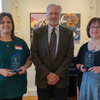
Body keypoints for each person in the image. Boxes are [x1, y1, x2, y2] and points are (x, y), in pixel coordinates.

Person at [31, 4, 74, 100]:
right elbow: (34, 55)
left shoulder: (68, 33)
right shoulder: (37, 33)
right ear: (46, 15)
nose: (53, 16)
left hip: (61, 78)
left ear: (60, 15)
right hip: (42, 78)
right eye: (51, 13)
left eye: (56, 13)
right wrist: (48, 74)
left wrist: (57, 74)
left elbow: (69, 56)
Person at [0, 12, 32, 100]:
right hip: (1, 87)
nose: (6, 24)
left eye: (8, 22)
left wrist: (25, 67)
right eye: (2, 22)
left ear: (12, 25)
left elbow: (29, 59)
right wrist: (1, 71)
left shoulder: (20, 42)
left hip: (17, 86)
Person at [76, 17, 100, 100]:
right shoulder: (83, 47)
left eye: (98, 27)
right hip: (85, 85)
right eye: (92, 27)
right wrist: (80, 67)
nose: (95, 29)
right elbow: (77, 63)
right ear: (89, 29)